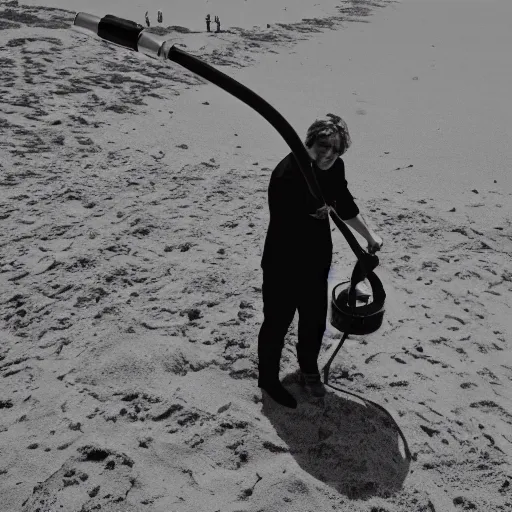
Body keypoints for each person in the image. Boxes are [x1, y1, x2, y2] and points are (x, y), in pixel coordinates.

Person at [258, 113, 383, 409]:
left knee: (313, 320)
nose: (328, 154)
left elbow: (344, 201)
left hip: (316, 258)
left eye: (335, 149)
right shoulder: (287, 173)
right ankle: (268, 380)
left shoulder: (335, 167)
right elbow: (285, 219)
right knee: (277, 322)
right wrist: (314, 210)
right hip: (283, 261)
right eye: (322, 147)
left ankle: (309, 370)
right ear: (309, 143)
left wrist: (369, 235)